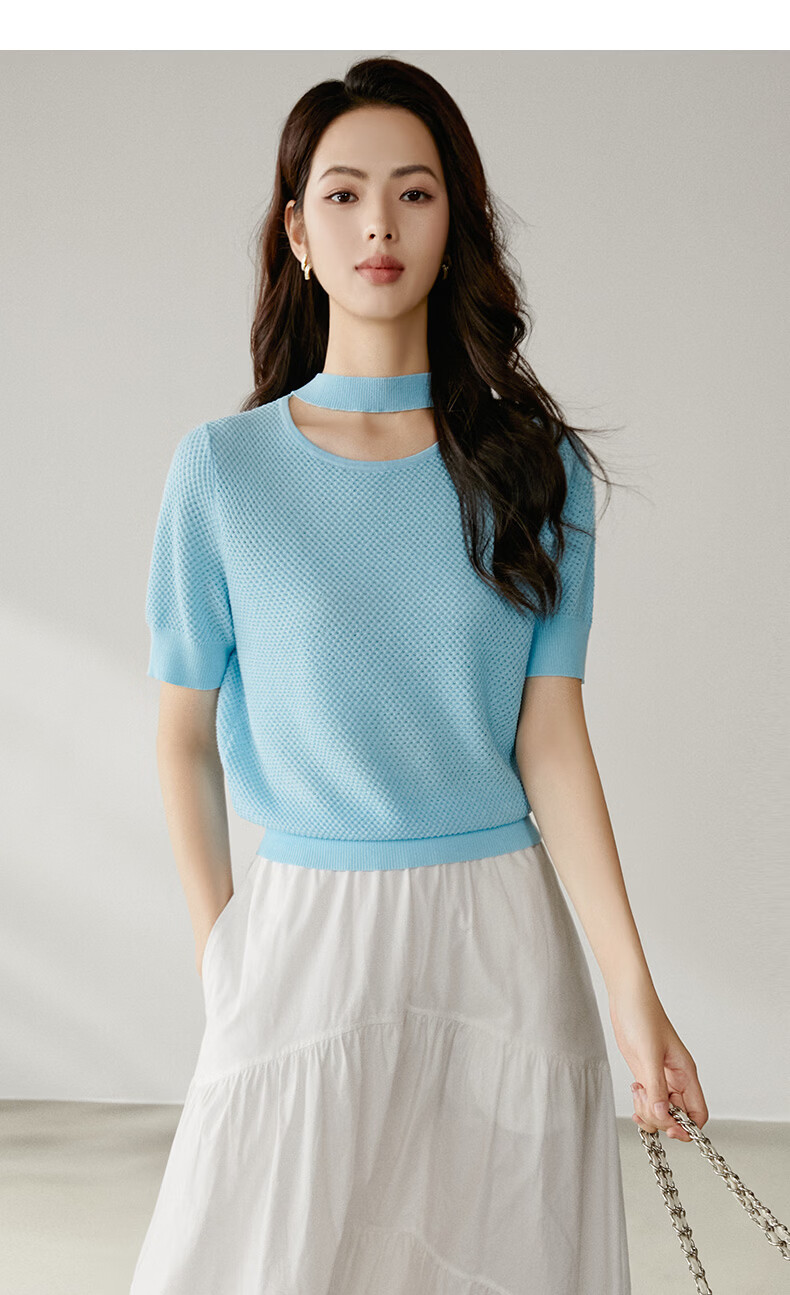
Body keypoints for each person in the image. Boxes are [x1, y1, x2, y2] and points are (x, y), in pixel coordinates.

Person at [130, 55, 708, 1295]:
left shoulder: (535, 466)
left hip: (499, 938)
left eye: (413, 192)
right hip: (301, 931)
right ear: (297, 233)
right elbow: (180, 734)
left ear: (457, 223)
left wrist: (632, 990)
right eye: (342, 195)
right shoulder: (223, 471)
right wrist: (222, 955)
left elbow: (550, 737)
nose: (378, 225)